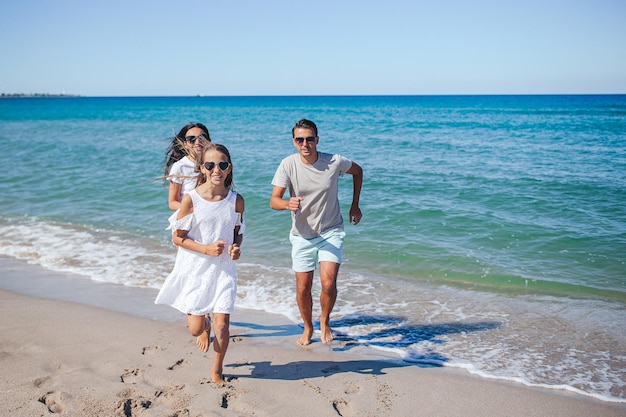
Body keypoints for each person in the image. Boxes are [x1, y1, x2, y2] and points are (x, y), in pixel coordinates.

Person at [156, 143, 245, 386]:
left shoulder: (236, 200)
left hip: (224, 269)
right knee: (195, 329)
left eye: (222, 164)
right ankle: (203, 325)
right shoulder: (191, 199)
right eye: (210, 165)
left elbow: (238, 232)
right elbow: (178, 237)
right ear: (202, 168)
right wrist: (205, 249)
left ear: (229, 168)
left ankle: (217, 369)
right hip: (196, 268)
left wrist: (236, 247)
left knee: (223, 325)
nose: (217, 169)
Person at [270, 119, 363, 346]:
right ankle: (308, 327)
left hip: (331, 231)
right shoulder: (288, 165)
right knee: (303, 288)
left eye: (309, 139)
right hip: (302, 234)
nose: (305, 144)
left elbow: (358, 171)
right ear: (294, 142)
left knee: (328, 283)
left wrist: (355, 205)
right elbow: (274, 200)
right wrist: (287, 204)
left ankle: (324, 321)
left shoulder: (334, 162)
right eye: (300, 139)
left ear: (317, 140)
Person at [164, 122, 211, 211]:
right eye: (191, 139)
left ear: (209, 141)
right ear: (185, 144)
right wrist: (197, 210)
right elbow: (172, 203)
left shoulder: (215, 164)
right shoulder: (180, 167)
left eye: (202, 138)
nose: (197, 142)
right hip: (188, 218)